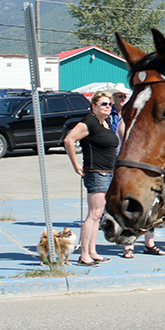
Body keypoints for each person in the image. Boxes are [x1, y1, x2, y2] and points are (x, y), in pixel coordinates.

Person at [64, 91, 118, 266]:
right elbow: (69, 140)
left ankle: (93, 251)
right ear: (93, 106)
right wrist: (75, 164)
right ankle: (84, 254)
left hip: (108, 172)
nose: (108, 107)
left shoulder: (105, 123)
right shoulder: (89, 122)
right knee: (93, 214)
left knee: (99, 215)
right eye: (103, 104)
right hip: (96, 172)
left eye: (109, 104)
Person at [113, 104, 165, 259]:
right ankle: (128, 245)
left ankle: (149, 244)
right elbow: (127, 140)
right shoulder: (126, 123)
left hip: (150, 169)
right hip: (132, 168)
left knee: (152, 209)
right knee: (131, 207)